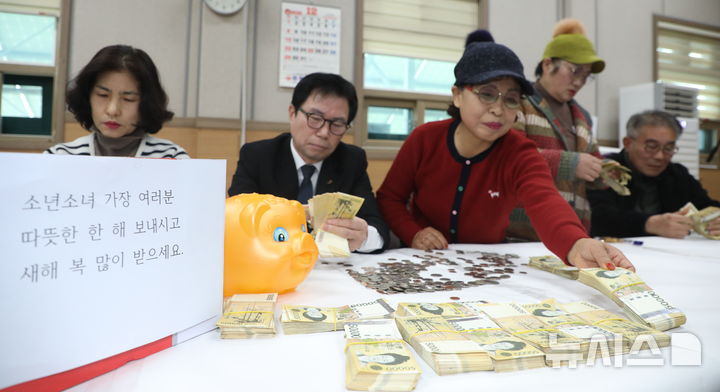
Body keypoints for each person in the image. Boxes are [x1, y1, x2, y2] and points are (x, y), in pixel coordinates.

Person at [376, 31, 634, 271]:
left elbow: (545, 201)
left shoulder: (520, 153)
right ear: (457, 95)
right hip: (420, 262)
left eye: (511, 99)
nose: (498, 109)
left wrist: (576, 243)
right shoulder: (425, 139)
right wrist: (414, 232)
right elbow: (390, 198)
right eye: (486, 94)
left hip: (483, 267)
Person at [228, 72, 389, 253]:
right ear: (292, 113)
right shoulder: (257, 156)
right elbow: (236, 219)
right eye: (315, 118)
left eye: (337, 124)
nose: (323, 133)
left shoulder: (352, 160)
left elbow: (378, 228)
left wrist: (364, 236)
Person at [507, 19, 605, 240]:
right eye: (574, 71)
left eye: (586, 76)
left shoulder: (582, 117)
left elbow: (593, 162)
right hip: (520, 235)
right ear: (548, 64)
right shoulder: (520, 101)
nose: (579, 82)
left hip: (571, 237)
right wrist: (571, 163)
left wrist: (605, 173)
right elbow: (509, 157)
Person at [588, 110, 720, 238]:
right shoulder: (606, 168)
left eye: (668, 148)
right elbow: (596, 217)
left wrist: (715, 218)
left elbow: (707, 205)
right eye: (651, 146)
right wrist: (649, 224)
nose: (660, 156)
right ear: (628, 143)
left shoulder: (677, 174)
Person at [45, 45, 188, 158]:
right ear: (87, 97)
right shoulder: (60, 157)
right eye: (102, 95)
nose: (113, 110)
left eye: (128, 99)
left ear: (146, 104)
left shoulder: (171, 158)